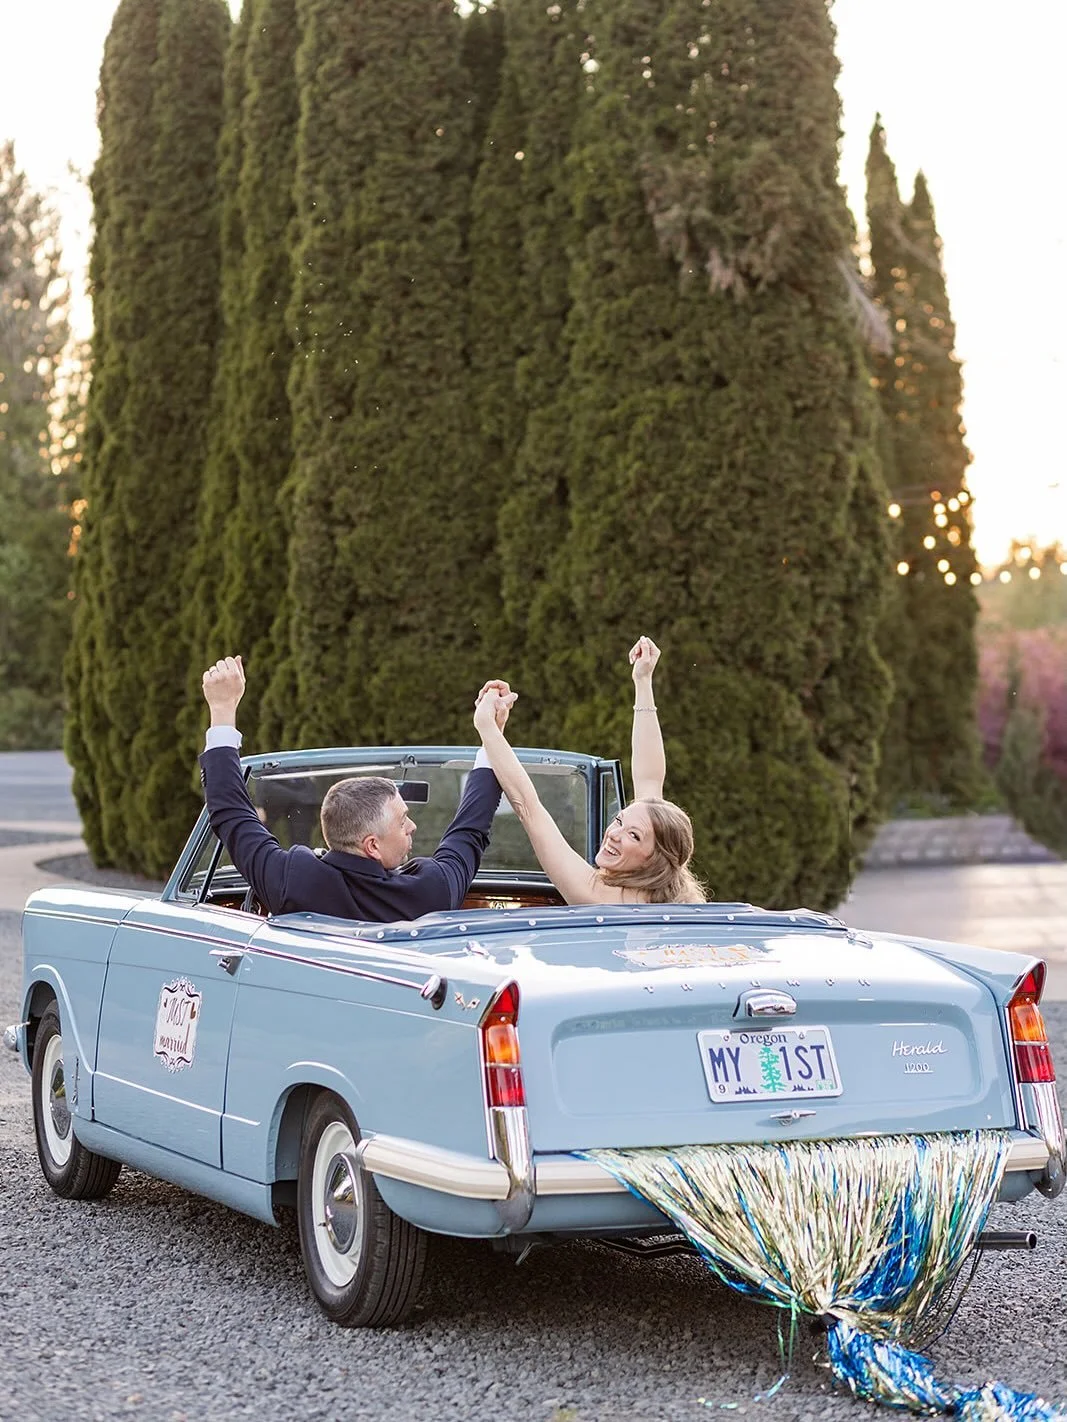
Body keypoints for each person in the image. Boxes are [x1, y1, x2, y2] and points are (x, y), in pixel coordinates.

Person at [200, 655, 513, 921]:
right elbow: (468, 833)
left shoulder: (294, 881)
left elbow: (232, 814)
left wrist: (223, 708)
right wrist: (491, 735)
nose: (412, 826)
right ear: (372, 846)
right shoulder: (429, 891)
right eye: (403, 820)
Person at [473, 637, 706, 905]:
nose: (614, 834)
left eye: (634, 835)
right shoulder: (669, 891)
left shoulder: (599, 897)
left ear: (654, 860)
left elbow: (528, 807)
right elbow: (650, 778)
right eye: (619, 820)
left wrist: (487, 727)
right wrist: (643, 681)